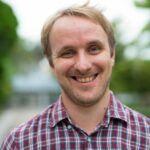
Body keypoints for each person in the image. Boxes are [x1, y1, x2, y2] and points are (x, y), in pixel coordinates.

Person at [1, 2, 150, 150]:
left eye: (93, 49)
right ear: (51, 63)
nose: (83, 66)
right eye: (68, 52)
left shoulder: (146, 136)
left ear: (112, 55)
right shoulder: (19, 143)